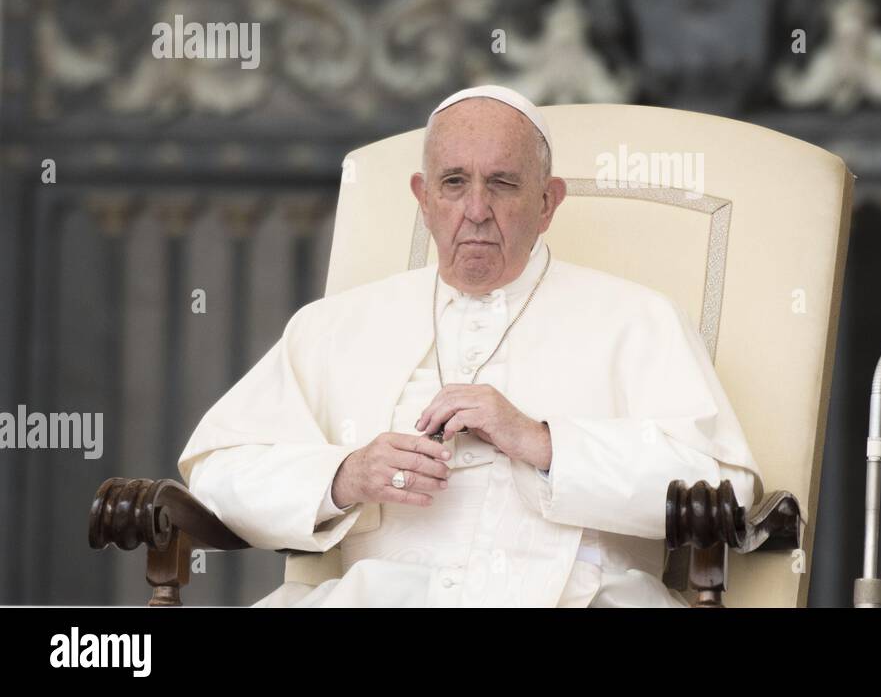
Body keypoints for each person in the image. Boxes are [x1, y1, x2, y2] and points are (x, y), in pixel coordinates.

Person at [177, 85, 763, 606]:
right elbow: (219, 468)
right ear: (423, 197)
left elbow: (725, 492)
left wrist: (545, 443)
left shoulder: (640, 319)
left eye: (503, 183)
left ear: (548, 201)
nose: (476, 210)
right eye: (454, 183)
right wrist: (345, 475)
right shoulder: (333, 326)